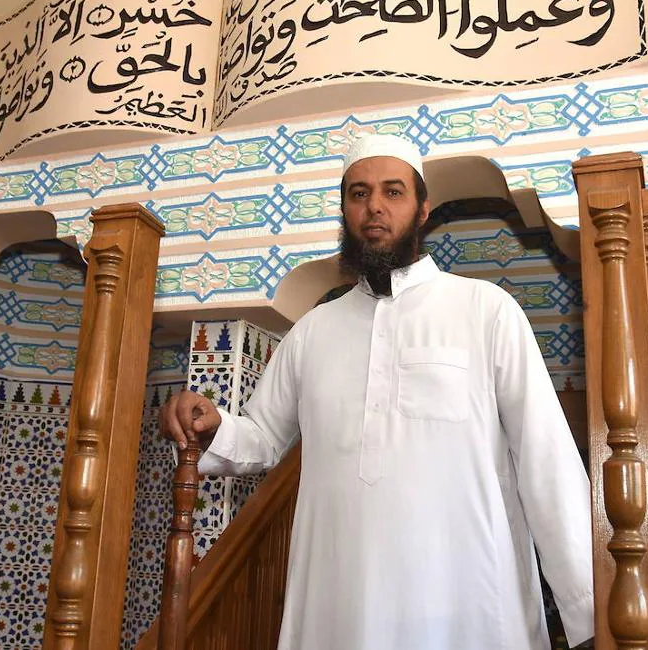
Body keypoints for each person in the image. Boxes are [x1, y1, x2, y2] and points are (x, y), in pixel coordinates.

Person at [160, 133, 593, 650]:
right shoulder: (314, 330)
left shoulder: (486, 311)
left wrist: (589, 608)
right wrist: (213, 426)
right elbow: (261, 438)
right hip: (336, 599)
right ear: (344, 210)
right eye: (359, 194)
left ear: (423, 207)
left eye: (393, 192)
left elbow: (547, 461)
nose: (375, 209)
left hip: (469, 602)